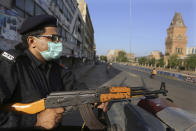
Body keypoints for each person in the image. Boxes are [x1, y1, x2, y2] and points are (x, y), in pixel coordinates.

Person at [0, 15, 94, 130]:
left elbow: (76, 88)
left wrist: (95, 98)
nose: (59, 42)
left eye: (59, 38)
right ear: (32, 41)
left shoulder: (56, 68)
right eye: (53, 38)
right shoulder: (12, 65)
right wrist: (35, 121)